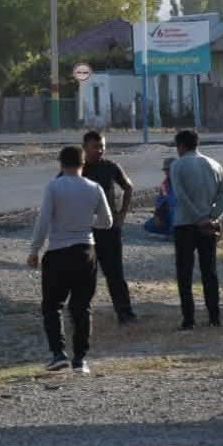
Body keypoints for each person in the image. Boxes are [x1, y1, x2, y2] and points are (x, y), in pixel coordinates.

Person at [28, 145, 113, 374]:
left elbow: (43, 221)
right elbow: (107, 221)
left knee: (52, 305)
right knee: (82, 306)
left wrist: (34, 250)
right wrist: (85, 221)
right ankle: (80, 360)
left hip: (58, 251)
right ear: (83, 163)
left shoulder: (54, 187)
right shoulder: (94, 188)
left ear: (61, 163)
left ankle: (58, 353)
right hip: (86, 250)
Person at [169, 129, 223, 330]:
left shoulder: (177, 165)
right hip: (208, 226)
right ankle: (214, 317)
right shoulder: (214, 164)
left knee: (185, 273)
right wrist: (211, 217)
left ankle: (189, 319)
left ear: (180, 146)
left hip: (185, 224)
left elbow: (181, 195)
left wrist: (198, 217)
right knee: (209, 272)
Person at [81, 130, 138, 323]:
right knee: (85, 275)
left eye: (102, 147)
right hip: (84, 231)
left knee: (115, 273)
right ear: (85, 148)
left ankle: (125, 313)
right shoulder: (77, 169)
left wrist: (122, 214)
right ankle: (81, 314)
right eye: (95, 147)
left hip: (108, 229)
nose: (100, 150)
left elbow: (128, 186)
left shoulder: (110, 167)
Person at [143, 157, 176, 237]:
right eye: (166, 170)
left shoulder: (184, 182)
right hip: (168, 214)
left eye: (169, 170)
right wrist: (158, 215)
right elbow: (160, 202)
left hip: (181, 214)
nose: (167, 172)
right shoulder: (165, 184)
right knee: (148, 225)